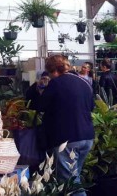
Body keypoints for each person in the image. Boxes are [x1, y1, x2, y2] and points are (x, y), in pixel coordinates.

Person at [39, 55, 94, 196]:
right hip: (87, 136)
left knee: (71, 184)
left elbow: (41, 106)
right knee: (73, 178)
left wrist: (40, 90)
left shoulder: (56, 83)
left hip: (67, 139)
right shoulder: (84, 82)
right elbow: (91, 107)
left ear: (53, 71)